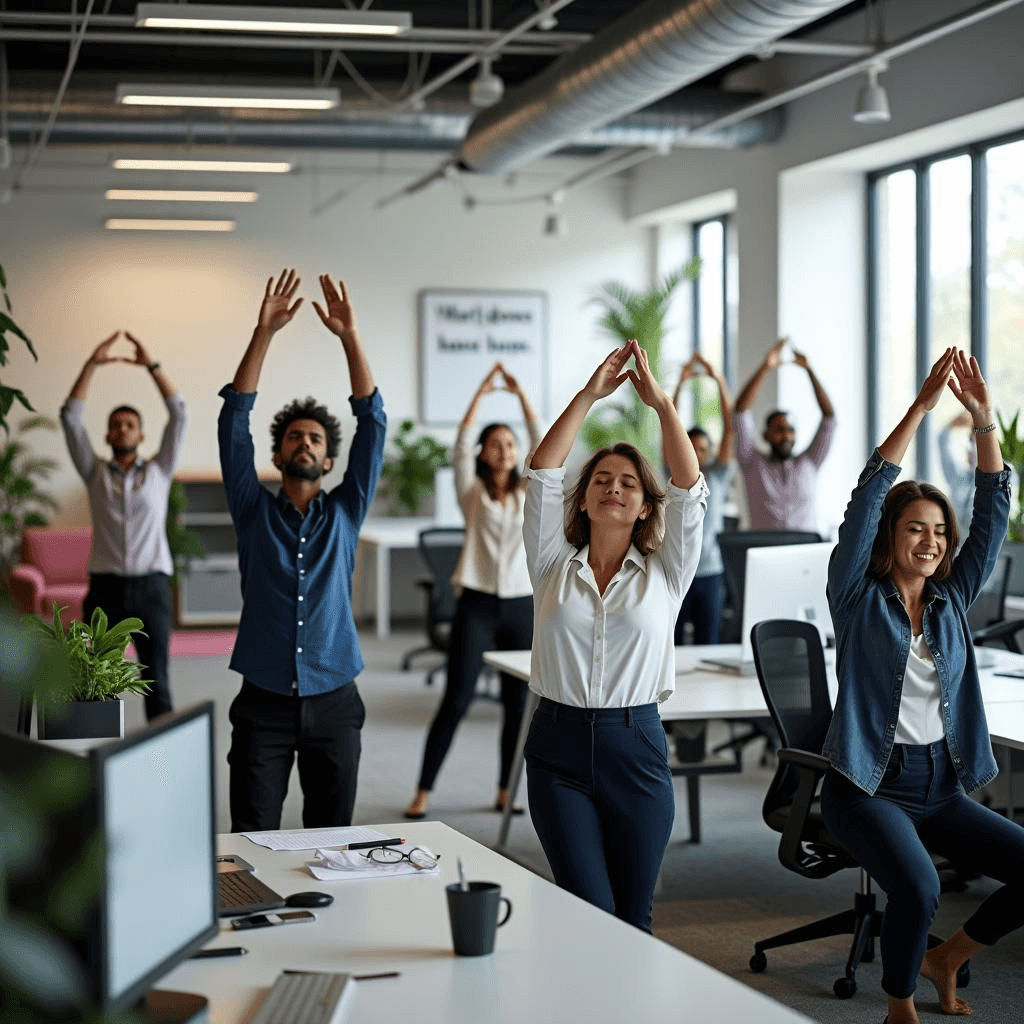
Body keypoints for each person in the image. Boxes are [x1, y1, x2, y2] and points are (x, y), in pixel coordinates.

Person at [821, 347, 1023, 1024]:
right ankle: (900, 1000)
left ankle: (950, 955)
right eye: (917, 529)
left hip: (941, 783)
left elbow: (993, 515)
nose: (932, 542)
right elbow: (869, 492)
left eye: (939, 532)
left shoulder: (951, 602)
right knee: (919, 883)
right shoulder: (856, 595)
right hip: (868, 786)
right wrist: (923, 408)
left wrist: (986, 423)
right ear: (891, 536)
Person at [522, 339, 707, 932]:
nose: (614, 487)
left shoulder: (667, 573)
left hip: (638, 746)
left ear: (645, 507)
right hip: (558, 746)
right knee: (591, 913)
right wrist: (589, 395)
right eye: (602, 478)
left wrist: (662, 406)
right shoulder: (552, 564)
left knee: (634, 917)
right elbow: (543, 471)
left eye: (629, 482)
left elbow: (689, 487)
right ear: (586, 497)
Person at [219, 268, 386, 833]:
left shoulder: (346, 508)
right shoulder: (252, 509)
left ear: (330, 460)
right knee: (252, 837)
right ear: (279, 454)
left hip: (336, 699)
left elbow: (373, 423)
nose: (306, 442)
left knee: (331, 842)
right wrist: (262, 332)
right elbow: (233, 421)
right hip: (262, 700)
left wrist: (350, 338)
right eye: (294, 436)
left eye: (316, 438)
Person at [405, 362, 541, 820]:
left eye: (510, 443)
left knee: (515, 702)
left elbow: (544, 444)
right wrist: (481, 393)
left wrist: (522, 398)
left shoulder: (530, 493)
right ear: (485, 453)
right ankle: (423, 789)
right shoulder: (471, 492)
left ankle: (506, 789)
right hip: (478, 603)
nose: (503, 450)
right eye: (495, 444)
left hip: (522, 605)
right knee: (457, 698)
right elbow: (459, 446)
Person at [61, 331, 186, 721]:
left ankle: (163, 764)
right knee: (97, 681)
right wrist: (92, 365)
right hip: (106, 590)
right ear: (107, 434)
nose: (122, 429)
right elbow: (69, 416)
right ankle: (93, 763)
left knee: (157, 680)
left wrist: (152, 366)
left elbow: (179, 413)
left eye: (130, 424)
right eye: (115, 424)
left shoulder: (160, 471)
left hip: (152, 587)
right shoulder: (94, 472)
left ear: (142, 434)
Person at [733, 337, 835, 531]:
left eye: (790, 430)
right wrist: (766, 367)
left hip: (805, 552)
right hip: (764, 553)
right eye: (779, 430)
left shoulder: (810, 462)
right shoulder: (752, 463)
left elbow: (829, 417)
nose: (786, 436)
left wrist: (809, 371)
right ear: (766, 435)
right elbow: (740, 411)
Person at [672, 352, 735, 645]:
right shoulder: (673, 470)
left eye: (702, 448)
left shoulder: (718, 474)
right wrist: (680, 385)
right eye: (691, 447)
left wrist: (718, 379)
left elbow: (730, 426)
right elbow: (667, 422)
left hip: (711, 572)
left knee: (708, 642)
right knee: (671, 643)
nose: (697, 453)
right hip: (677, 571)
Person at [938, 411, 976, 544]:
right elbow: (943, 445)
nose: (971, 450)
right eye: (970, 443)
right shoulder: (959, 478)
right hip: (958, 550)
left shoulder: (1004, 479)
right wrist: (953, 423)